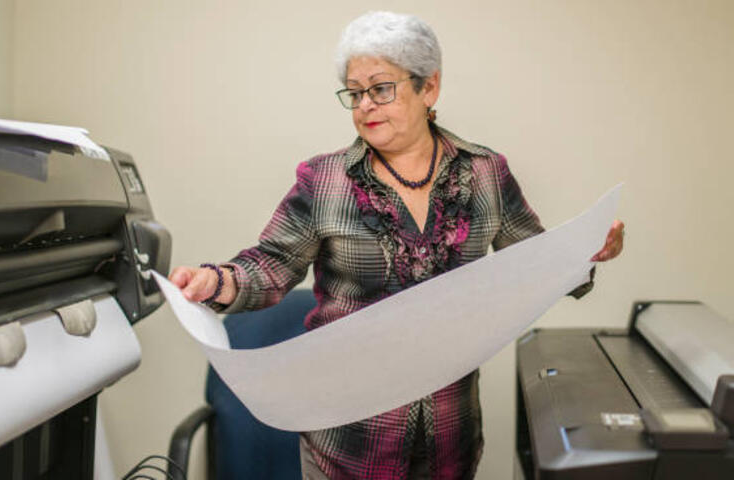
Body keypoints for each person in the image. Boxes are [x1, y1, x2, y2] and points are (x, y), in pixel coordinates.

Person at [170, 11, 624, 480]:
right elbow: (271, 265)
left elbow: (537, 264)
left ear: (429, 88)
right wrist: (215, 280)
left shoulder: (486, 174)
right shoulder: (325, 180)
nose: (365, 104)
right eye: (354, 91)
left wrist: (589, 250)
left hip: (450, 437)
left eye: (381, 88)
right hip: (347, 444)